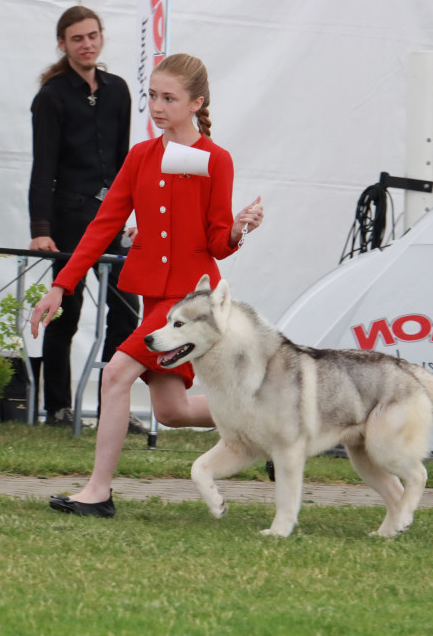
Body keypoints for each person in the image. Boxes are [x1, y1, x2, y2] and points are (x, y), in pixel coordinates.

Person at [30, 53, 264, 517]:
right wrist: (61, 285)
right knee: (171, 412)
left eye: (169, 98)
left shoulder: (217, 160)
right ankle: (267, 424)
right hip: (155, 297)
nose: (157, 106)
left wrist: (238, 229)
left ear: (196, 103)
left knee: (115, 374)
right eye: (153, 95)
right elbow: (102, 226)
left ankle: (98, 493)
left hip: (191, 302)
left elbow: (217, 241)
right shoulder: (140, 157)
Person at [28, 6, 142, 430]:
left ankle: (113, 407)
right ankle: (58, 406)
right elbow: (44, 168)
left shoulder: (117, 91)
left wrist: (136, 215)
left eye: (93, 35)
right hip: (69, 218)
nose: (87, 44)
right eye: (77, 38)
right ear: (63, 44)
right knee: (66, 312)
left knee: (126, 312)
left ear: (101, 37)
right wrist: (41, 230)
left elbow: (125, 163)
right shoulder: (51, 97)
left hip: (112, 216)